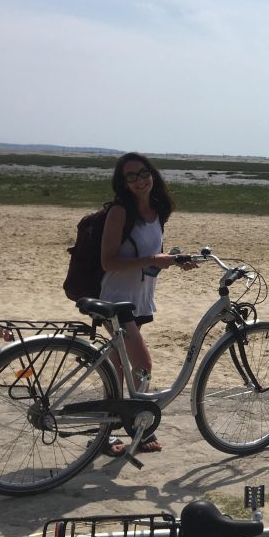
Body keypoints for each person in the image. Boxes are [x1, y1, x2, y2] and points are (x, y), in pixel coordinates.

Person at [99, 152, 195, 456]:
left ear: (152, 174)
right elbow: (109, 261)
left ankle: (110, 434)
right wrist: (154, 260)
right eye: (131, 176)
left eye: (143, 173)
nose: (140, 180)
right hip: (116, 300)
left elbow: (152, 256)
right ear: (123, 183)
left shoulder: (158, 211)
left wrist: (175, 260)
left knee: (116, 368)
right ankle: (136, 429)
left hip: (140, 300)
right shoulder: (119, 213)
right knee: (141, 365)